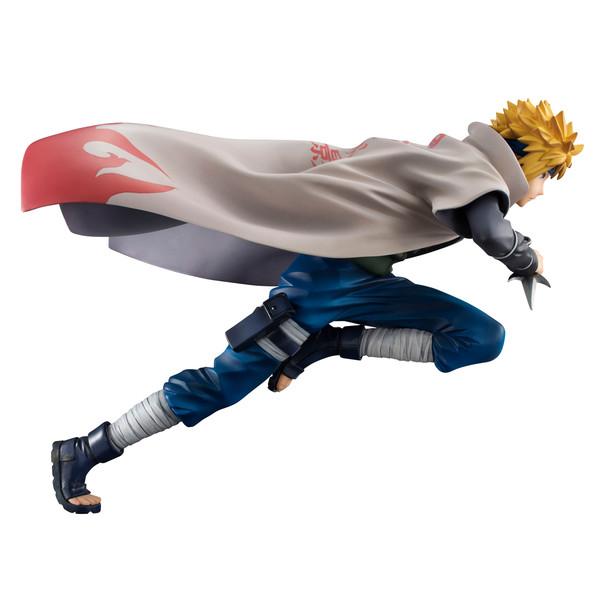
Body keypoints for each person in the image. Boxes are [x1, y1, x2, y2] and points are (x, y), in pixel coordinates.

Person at [21, 99, 582, 513]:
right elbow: (490, 229)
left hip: (368, 282)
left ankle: (328, 343)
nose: (539, 191)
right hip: (318, 284)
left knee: (482, 338)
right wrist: (526, 258)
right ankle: (85, 449)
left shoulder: (443, 159)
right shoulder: (471, 173)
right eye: (545, 177)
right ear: (526, 160)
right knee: (221, 385)